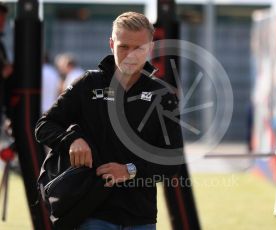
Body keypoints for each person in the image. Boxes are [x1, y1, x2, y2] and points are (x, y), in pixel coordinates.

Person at [35, 12, 183, 229]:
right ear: (111, 44)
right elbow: (44, 125)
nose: (131, 55)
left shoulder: (162, 95)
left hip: (140, 217)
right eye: (124, 47)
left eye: (139, 48)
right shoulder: (88, 84)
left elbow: (172, 159)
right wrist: (72, 140)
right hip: (89, 213)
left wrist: (129, 170)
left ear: (150, 49)